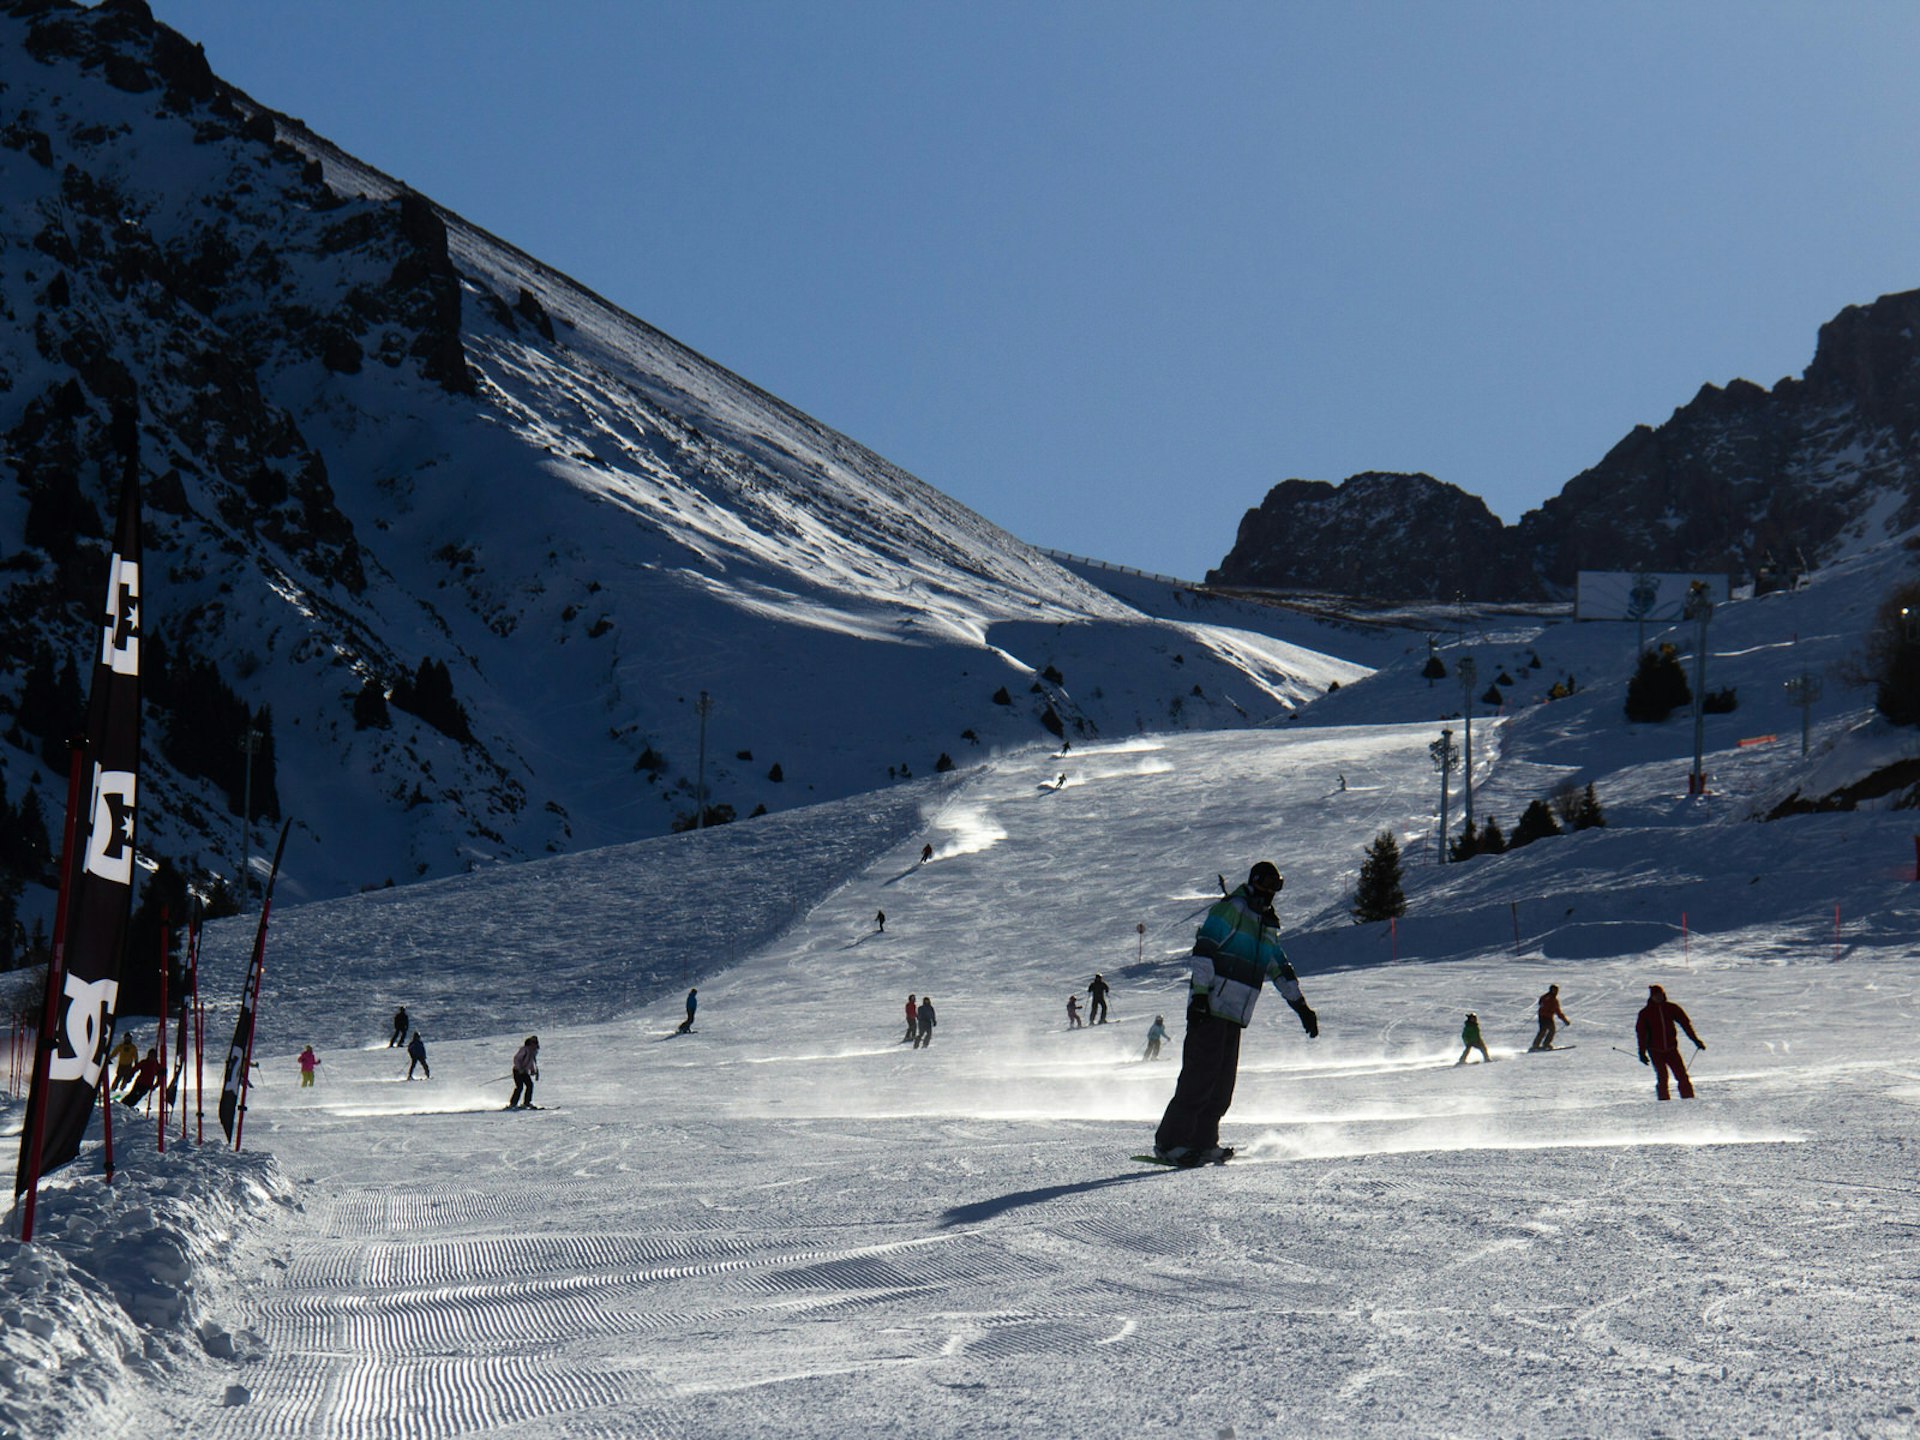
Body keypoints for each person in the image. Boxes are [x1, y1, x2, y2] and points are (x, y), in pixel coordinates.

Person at [1153, 861, 1317, 1166]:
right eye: (1266, 885)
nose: (1270, 893)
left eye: (1275, 887)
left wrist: (1301, 1007)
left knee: (1221, 1085)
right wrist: (1200, 996)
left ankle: (1203, 1142)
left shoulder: (1267, 925)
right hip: (1210, 1008)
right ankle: (1170, 1142)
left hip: (1234, 1014)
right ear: (1254, 882)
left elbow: (1278, 967)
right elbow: (1204, 952)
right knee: (1198, 1079)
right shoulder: (1230, 910)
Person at [1636, 984, 1706, 1100]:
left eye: (1660, 995)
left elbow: (1686, 1025)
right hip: (1655, 1051)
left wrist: (1696, 1041)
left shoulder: (1671, 1008)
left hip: (1671, 1049)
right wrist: (1642, 1053)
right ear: (1651, 997)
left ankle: (1688, 1099)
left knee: (1682, 1076)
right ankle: (1664, 1102)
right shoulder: (1645, 1013)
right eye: (1656, 995)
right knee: (1662, 1077)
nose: (1658, 997)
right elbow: (1641, 1034)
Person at [1530, 984, 1570, 1051]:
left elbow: (1541, 1002)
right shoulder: (1551, 999)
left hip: (1545, 1016)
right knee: (1548, 1030)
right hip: (1545, 1017)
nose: (1556, 992)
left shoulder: (1547, 997)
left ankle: (1538, 1045)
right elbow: (1557, 1011)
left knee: (1546, 1030)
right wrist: (1565, 1020)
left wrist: (1564, 1020)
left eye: (1556, 991)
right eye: (1554, 990)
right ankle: (1542, 1045)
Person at [507, 1036, 540, 1109]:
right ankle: (513, 1104)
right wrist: (519, 1069)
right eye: (534, 1043)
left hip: (524, 1072)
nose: (535, 1044)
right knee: (519, 1087)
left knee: (530, 1085)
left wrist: (532, 1070)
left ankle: (527, 1103)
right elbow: (516, 1059)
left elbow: (530, 1061)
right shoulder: (524, 1050)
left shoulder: (533, 1051)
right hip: (517, 1071)